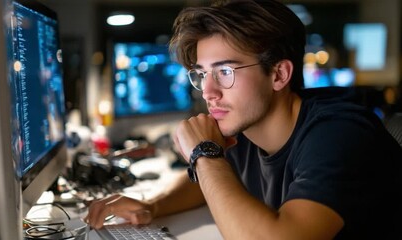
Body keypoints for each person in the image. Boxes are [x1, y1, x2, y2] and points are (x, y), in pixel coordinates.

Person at [85, 0, 402, 239]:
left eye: (224, 72)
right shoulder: (249, 127)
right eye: (201, 74)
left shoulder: (340, 132)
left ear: (279, 74)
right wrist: (152, 206)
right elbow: (208, 185)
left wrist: (204, 154)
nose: (208, 92)